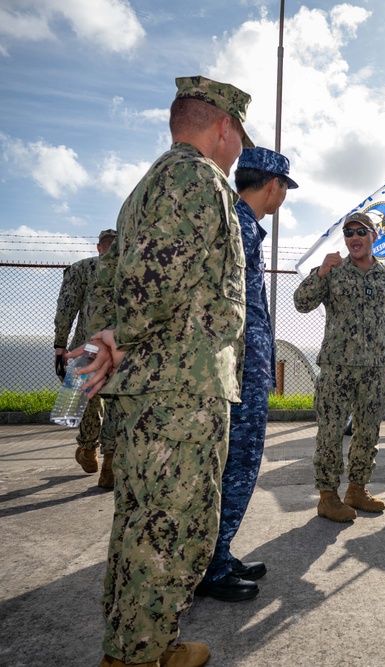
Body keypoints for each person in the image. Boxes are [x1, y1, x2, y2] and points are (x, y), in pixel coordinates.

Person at [75, 74, 254, 667]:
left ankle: (139, 643)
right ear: (223, 127)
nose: (239, 148)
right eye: (238, 134)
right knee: (172, 527)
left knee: (141, 524)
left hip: (157, 386)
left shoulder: (151, 182)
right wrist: (121, 336)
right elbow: (162, 280)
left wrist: (114, 337)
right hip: (180, 389)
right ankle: (137, 656)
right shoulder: (196, 177)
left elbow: (124, 279)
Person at [194, 147, 297, 602]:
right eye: (284, 189)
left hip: (242, 369)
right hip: (236, 373)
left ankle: (218, 552)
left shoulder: (241, 226)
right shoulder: (237, 228)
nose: (283, 197)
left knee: (235, 463)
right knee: (235, 464)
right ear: (272, 185)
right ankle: (210, 567)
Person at [293, 211, 385, 523]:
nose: (354, 237)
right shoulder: (332, 271)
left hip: (374, 369)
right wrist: (320, 272)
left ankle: (357, 490)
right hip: (337, 368)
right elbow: (301, 302)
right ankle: (328, 497)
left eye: (361, 231)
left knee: (367, 433)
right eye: (348, 233)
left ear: (374, 236)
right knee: (331, 433)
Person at [54, 228, 116, 488]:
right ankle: (110, 463)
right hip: (120, 349)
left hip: (87, 347)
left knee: (88, 401)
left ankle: (88, 451)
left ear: (98, 247)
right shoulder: (132, 270)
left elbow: (67, 306)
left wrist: (59, 346)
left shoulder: (81, 269)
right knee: (115, 404)